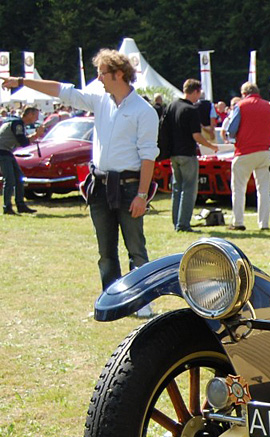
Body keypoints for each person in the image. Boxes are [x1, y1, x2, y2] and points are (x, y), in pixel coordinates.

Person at [2, 49, 159, 314]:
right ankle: (111, 302)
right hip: (99, 183)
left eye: (102, 72)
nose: (98, 78)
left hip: (130, 185)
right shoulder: (99, 99)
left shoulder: (144, 111)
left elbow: (148, 158)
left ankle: (142, 302)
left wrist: (142, 195)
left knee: (135, 247)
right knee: (105, 250)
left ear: (119, 74)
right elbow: (61, 90)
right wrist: (22, 81)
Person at [161, 79, 219, 232]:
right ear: (195, 92)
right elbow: (196, 136)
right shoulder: (191, 109)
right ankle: (183, 224)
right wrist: (211, 146)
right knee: (189, 189)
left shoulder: (171, 106)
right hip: (187, 153)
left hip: (174, 153)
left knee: (177, 188)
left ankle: (176, 222)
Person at [223, 81, 270, 231]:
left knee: (239, 189)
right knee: (263, 190)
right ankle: (264, 223)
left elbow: (232, 130)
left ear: (244, 94)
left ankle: (238, 222)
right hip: (265, 151)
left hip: (244, 151)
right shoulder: (269, 107)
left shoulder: (241, 105)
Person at [0, 105, 41, 214]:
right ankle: (7, 207)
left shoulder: (17, 122)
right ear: (29, 114)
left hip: (6, 151)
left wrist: (34, 136)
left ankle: (20, 204)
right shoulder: (17, 124)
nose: (36, 119)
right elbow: (23, 142)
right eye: (35, 116)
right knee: (9, 179)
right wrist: (37, 135)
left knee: (19, 178)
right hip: (3, 151)